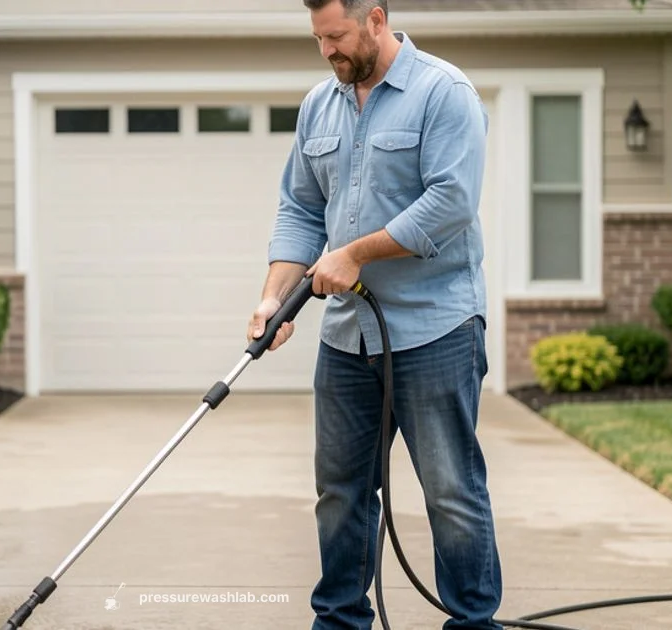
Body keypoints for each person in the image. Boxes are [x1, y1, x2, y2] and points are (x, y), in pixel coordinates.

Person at [247, 1, 501, 629]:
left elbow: (452, 202)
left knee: (450, 494)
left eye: (336, 36)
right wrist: (273, 298)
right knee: (341, 494)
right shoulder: (319, 106)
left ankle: (473, 624)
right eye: (318, 40)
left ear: (376, 19)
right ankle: (338, 621)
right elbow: (300, 209)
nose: (328, 51)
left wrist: (356, 253)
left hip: (436, 327)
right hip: (345, 338)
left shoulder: (444, 92)